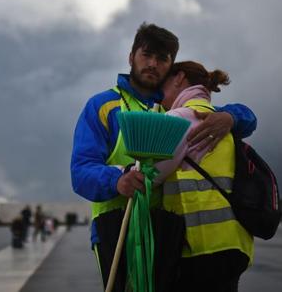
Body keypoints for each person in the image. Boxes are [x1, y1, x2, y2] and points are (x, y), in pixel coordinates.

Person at [70, 23, 257, 290]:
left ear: (172, 67)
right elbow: (80, 171)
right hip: (117, 227)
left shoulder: (174, 107)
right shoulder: (102, 106)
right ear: (131, 57)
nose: (153, 64)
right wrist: (117, 180)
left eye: (162, 58)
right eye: (146, 55)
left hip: (168, 232)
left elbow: (246, 116)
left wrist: (230, 117)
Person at [154, 61, 253, 291]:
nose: (160, 95)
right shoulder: (220, 120)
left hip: (199, 247)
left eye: (164, 84)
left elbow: (153, 172)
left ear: (179, 78)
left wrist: (122, 173)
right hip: (234, 244)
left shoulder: (178, 117)